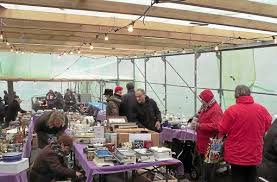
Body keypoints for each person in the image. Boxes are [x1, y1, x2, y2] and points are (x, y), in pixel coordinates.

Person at [218, 85, 272, 182]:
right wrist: (258, 132)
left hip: (236, 154)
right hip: (254, 153)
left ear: (237, 95)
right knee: (252, 177)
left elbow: (222, 130)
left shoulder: (231, 111)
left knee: (238, 177)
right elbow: (268, 125)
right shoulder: (262, 109)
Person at [190, 89, 223, 182]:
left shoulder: (216, 110)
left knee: (209, 170)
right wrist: (196, 117)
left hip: (214, 144)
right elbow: (201, 117)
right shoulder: (206, 107)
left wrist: (199, 125)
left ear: (207, 99)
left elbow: (217, 126)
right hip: (204, 143)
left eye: (203, 99)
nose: (201, 101)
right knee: (204, 168)